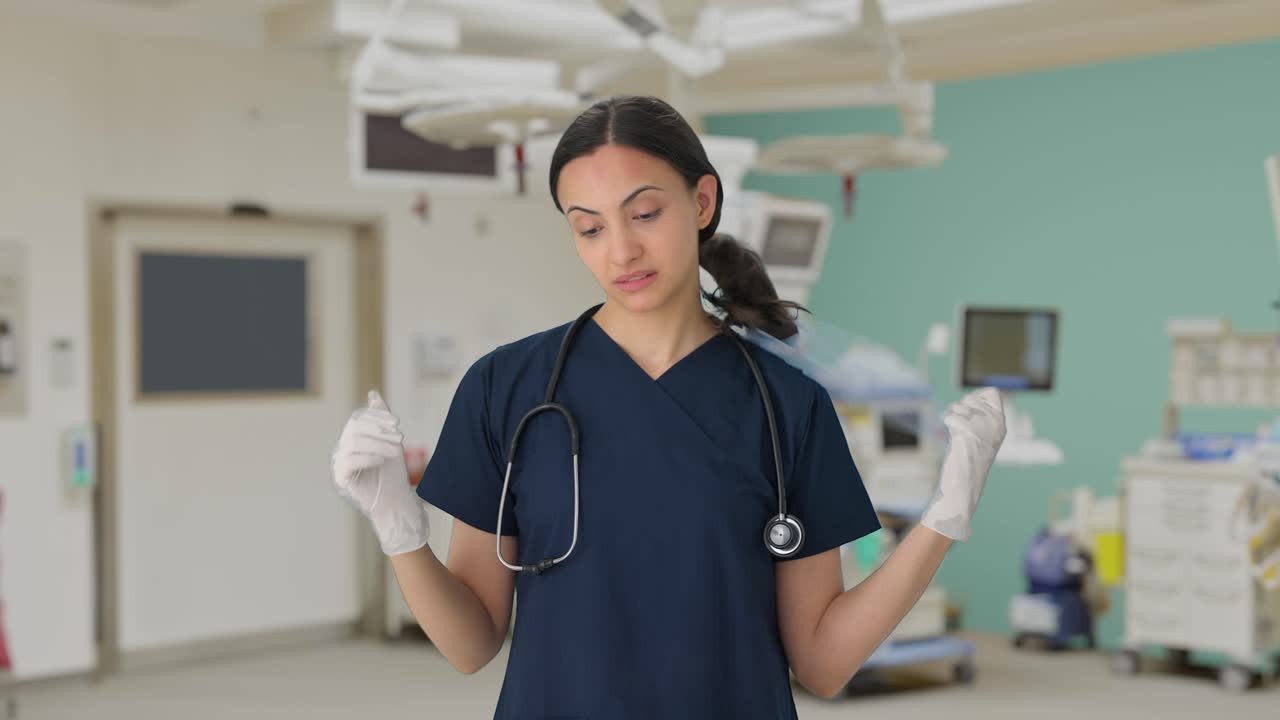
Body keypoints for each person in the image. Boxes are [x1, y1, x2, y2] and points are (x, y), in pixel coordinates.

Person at [330, 94, 1006, 719]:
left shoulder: (785, 406)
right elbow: (471, 643)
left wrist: (942, 520)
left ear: (703, 200)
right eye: (589, 228)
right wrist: (399, 526)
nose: (621, 249)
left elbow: (824, 664)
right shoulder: (506, 388)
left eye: (644, 213)